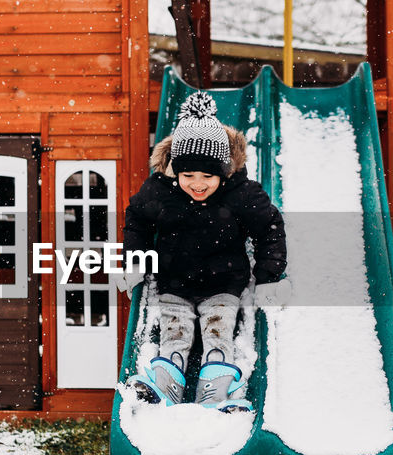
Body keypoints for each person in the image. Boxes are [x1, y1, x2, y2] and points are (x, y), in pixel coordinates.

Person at [118, 90, 287, 412]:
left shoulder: (240, 193)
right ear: (175, 172)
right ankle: (167, 382)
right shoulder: (160, 191)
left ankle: (216, 391)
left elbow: (269, 228)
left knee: (218, 329)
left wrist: (268, 275)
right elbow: (137, 220)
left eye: (207, 176)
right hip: (174, 282)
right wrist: (135, 260)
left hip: (224, 284)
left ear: (222, 172)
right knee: (175, 332)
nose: (197, 184)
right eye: (188, 175)